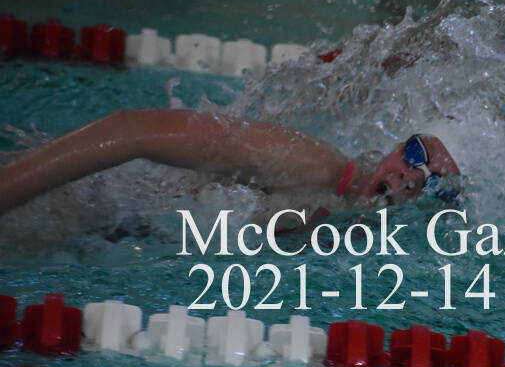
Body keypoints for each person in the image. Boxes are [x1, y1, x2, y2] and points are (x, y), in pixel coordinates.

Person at [0, 109, 461, 216]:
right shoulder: (312, 164)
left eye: (427, 177)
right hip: (87, 209)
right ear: (393, 147)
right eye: (414, 152)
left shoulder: (358, 223)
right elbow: (131, 130)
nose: (407, 174)